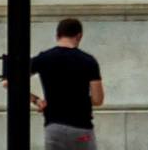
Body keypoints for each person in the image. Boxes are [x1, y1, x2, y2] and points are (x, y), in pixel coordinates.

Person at [28, 16, 103, 150]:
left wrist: (35, 99)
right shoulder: (89, 61)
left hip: (54, 127)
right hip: (81, 127)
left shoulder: (43, 58)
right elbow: (98, 99)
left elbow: (9, 82)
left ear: (57, 36)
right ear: (78, 36)